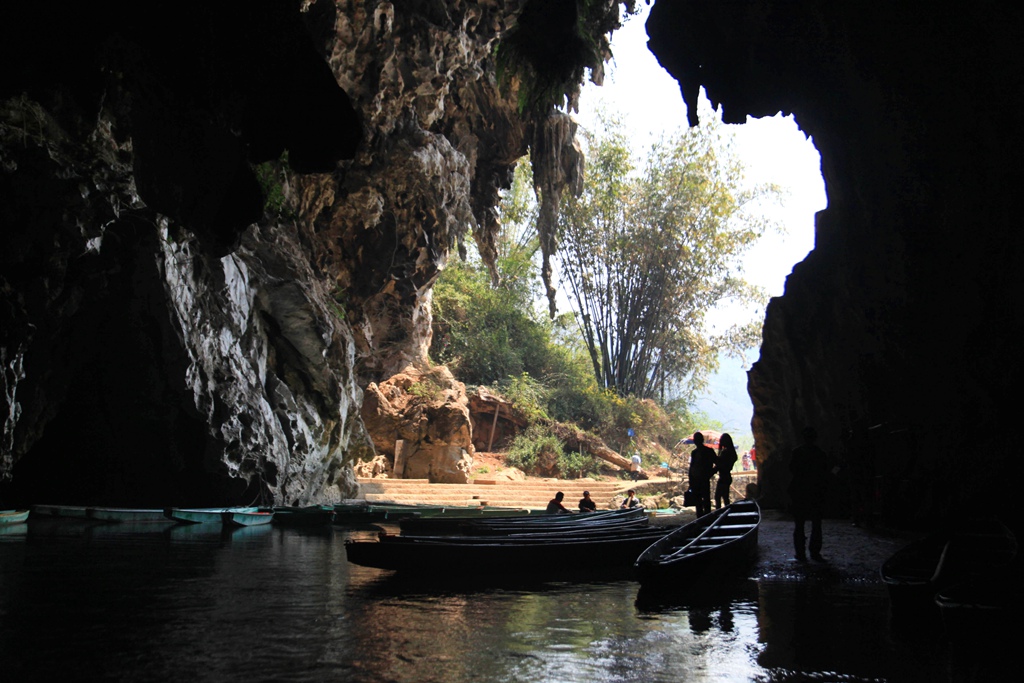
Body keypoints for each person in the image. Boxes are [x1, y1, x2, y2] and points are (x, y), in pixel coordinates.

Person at [789, 426, 828, 561]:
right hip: (815, 491)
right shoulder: (820, 453)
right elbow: (824, 473)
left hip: (799, 491)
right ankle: (814, 551)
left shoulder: (797, 453)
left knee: (799, 524)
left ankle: (800, 552)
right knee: (816, 523)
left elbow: (792, 471)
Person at [688, 432, 716, 517]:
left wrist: (691, 478)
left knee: (701, 499)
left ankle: (702, 517)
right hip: (700, 478)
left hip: (699, 478)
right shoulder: (708, 451)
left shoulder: (695, 452)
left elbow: (692, 467)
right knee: (703, 498)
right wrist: (711, 472)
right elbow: (717, 463)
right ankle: (705, 516)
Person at [714, 433, 739, 509]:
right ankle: (726, 512)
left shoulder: (725, 453)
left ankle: (719, 512)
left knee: (718, 497)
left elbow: (720, 465)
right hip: (726, 477)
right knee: (725, 497)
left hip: (724, 477)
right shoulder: (731, 453)